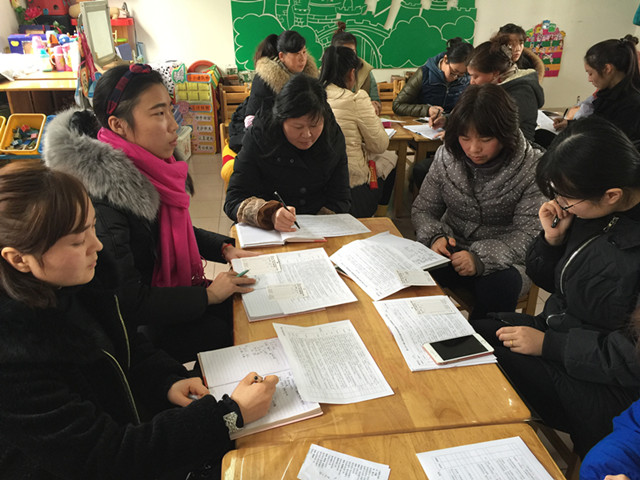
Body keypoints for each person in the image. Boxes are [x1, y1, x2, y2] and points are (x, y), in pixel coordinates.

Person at [0, 162, 278, 479]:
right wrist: (228, 416)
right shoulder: (13, 361)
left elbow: (125, 343)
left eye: (92, 227)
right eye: (77, 241)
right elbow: (105, 458)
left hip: (133, 427)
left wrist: (166, 380)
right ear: (19, 259)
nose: (97, 245)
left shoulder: (78, 284)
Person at [44, 64, 257, 363]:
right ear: (118, 125)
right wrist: (207, 296)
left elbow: (172, 233)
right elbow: (128, 299)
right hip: (137, 328)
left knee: (245, 306)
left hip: (166, 296)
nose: (173, 125)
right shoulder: (104, 199)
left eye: (170, 109)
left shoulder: (152, 167)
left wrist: (225, 248)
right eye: (158, 114)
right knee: (230, 329)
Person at [473, 116, 640, 458]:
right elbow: (554, 282)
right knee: (470, 335)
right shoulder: (589, 207)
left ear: (612, 195)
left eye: (566, 197)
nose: (559, 203)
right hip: (562, 334)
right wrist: (552, 241)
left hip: (606, 384)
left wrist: (549, 346)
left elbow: (630, 358)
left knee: (481, 364)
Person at [412, 84, 544, 320]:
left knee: (501, 286)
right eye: (465, 138)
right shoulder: (447, 155)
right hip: (452, 247)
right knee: (409, 271)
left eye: (486, 138)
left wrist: (480, 259)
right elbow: (424, 209)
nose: (474, 149)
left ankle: (483, 341)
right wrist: (435, 237)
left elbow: (530, 235)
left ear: (506, 134)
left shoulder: (532, 169)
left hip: (505, 259)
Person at [224, 74, 351, 231]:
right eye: (298, 127)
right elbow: (234, 199)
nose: (307, 135)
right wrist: (269, 214)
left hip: (318, 228)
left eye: (314, 125)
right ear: (281, 119)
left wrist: (319, 226)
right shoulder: (260, 136)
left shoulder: (332, 136)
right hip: (267, 229)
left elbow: (340, 197)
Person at [320, 45, 397, 218]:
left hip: (315, 188)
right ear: (351, 73)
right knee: (390, 158)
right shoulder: (355, 99)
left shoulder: (312, 95)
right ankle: (380, 218)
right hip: (351, 190)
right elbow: (379, 145)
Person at [553, 35, 640, 145]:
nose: (589, 79)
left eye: (590, 73)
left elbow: (609, 141)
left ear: (607, 69)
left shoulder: (632, 105)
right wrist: (569, 123)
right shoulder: (607, 93)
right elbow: (595, 123)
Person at [466, 38, 544, 142]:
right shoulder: (493, 85)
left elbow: (489, 129)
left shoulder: (521, 93)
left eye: (475, 76)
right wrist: (448, 120)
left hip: (514, 147)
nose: (471, 81)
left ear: (495, 73)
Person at [244, 30, 318, 127]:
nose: (302, 58)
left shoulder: (308, 78)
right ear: (282, 56)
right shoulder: (264, 79)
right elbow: (250, 121)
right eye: (296, 53)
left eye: (304, 52)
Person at [392, 37, 473, 121]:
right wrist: (427, 110)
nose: (455, 77)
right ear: (445, 59)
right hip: (423, 124)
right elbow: (397, 106)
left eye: (461, 75)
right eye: (453, 72)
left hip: (451, 124)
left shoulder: (468, 79)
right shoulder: (424, 74)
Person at [331, 21, 382, 115]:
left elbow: (377, 102)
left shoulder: (366, 71)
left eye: (352, 51)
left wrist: (373, 105)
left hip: (362, 119)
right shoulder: (323, 74)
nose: (349, 56)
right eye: (344, 52)